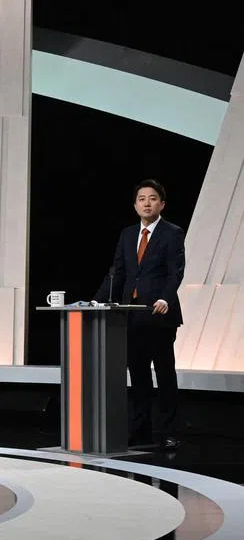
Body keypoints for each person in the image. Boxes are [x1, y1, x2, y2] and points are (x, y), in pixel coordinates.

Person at [95, 179, 185, 450]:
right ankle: (141, 430)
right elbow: (118, 272)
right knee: (139, 376)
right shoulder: (127, 234)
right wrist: (95, 301)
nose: (147, 203)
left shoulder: (172, 233)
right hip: (130, 316)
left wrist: (165, 298)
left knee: (165, 374)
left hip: (159, 314)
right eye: (142, 199)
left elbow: (175, 272)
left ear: (162, 204)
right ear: (135, 205)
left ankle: (169, 432)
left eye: (153, 198)